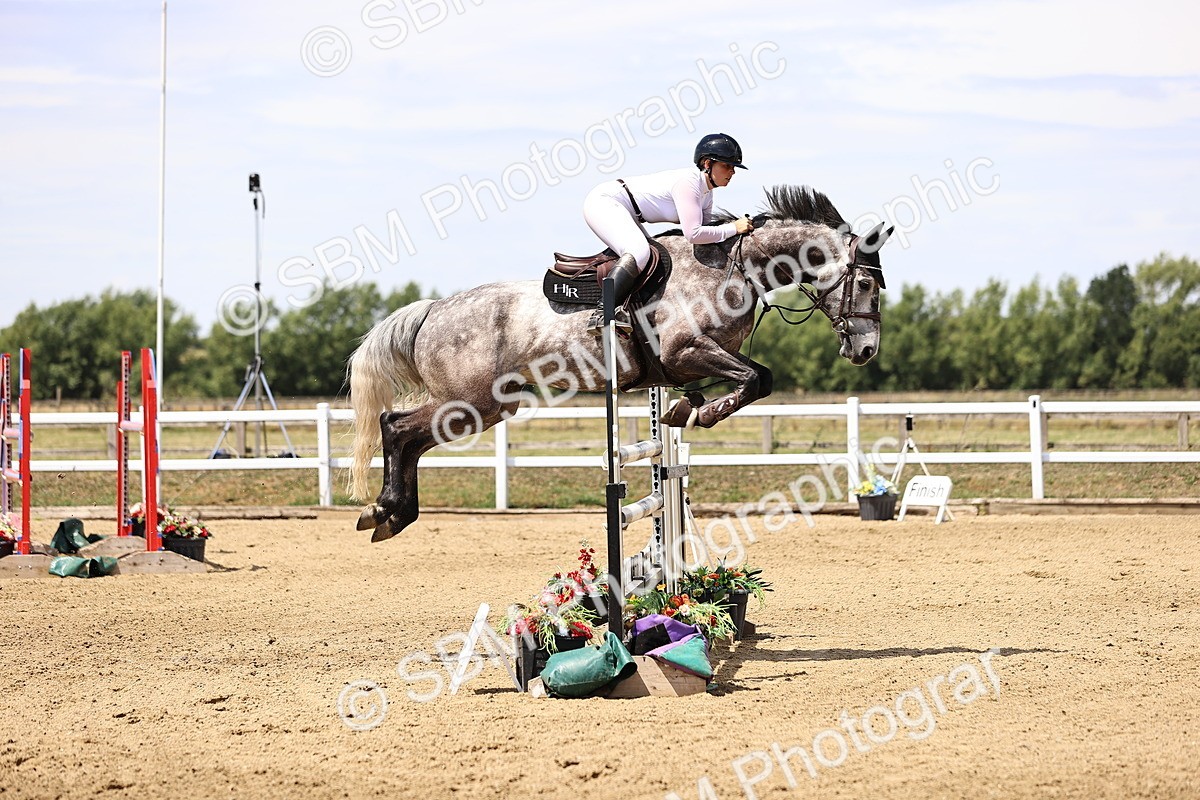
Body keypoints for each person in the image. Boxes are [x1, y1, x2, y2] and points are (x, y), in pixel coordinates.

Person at [582, 132, 754, 334]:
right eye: (727, 165)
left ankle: (628, 310)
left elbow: (706, 235)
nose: (732, 172)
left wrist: (734, 232)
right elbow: (693, 234)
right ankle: (603, 313)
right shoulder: (689, 183)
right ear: (707, 163)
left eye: (734, 167)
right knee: (640, 252)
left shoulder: (706, 194)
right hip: (605, 201)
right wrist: (734, 227)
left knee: (652, 257)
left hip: (627, 210)